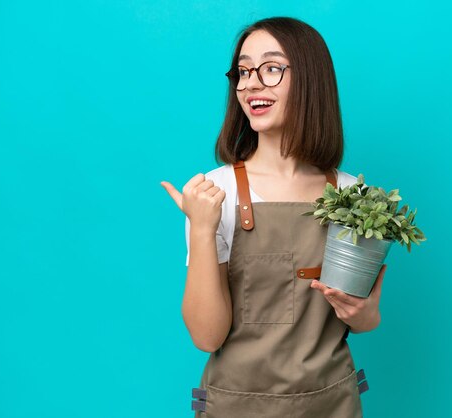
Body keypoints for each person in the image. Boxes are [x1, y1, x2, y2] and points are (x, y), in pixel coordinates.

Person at [161, 16, 387, 418]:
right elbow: (206, 335)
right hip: (236, 407)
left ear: (311, 79)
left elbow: (364, 320)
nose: (249, 84)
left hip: (331, 404)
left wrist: (364, 312)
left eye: (270, 68)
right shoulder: (216, 193)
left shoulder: (355, 197)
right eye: (243, 71)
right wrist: (201, 228)